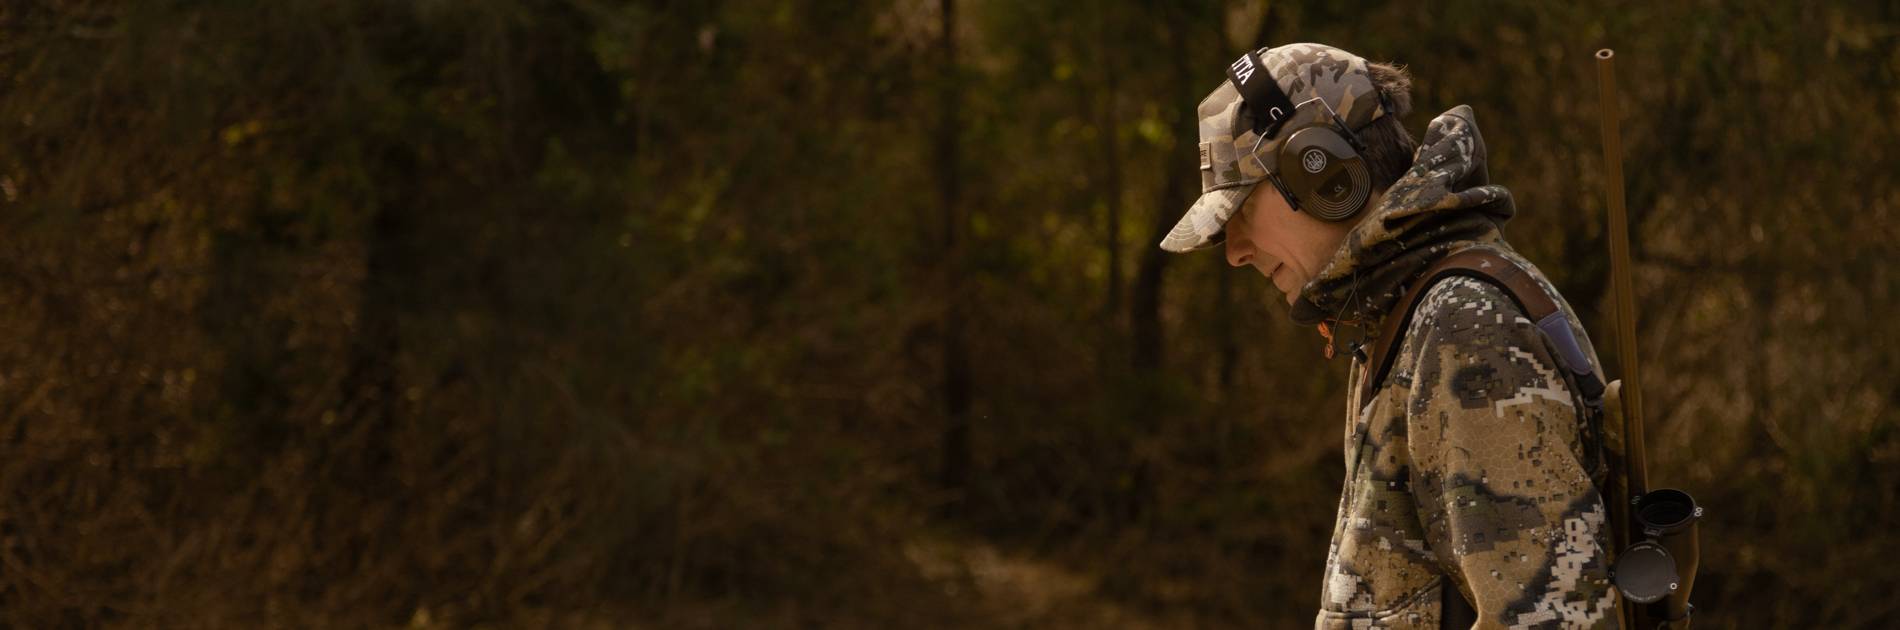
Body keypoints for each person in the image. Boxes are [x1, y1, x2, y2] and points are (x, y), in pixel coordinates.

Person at [1159, 43, 1621, 629]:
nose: (1235, 252)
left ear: (1322, 172)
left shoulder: (1464, 328)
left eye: (1242, 209)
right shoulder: (1407, 319)